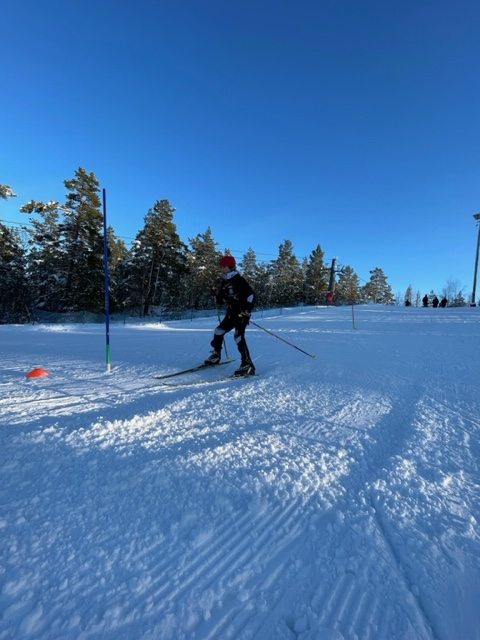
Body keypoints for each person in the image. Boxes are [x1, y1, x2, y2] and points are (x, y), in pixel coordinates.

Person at [204, 255, 256, 376]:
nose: (222, 268)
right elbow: (222, 299)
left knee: (238, 337)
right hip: (231, 313)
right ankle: (216, 355)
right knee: (218, 331)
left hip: (241, 313)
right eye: (221, 266)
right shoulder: (225, 281)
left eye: (224, 266)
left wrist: (247, 309)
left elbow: (251, 295)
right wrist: (215, 295)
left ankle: (247, 365)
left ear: (230, 267)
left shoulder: (239, 280)